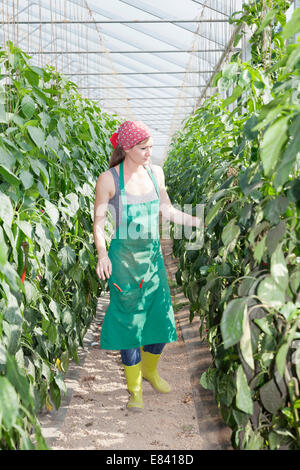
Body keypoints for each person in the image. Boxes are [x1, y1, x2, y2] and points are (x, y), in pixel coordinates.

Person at [93, 120, 201, 410]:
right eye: (143, 148)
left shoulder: (156, 174)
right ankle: (135, 388)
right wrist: (102, 255)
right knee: (130, 324)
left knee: (162, 318)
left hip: (152, 257)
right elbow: (100, 223)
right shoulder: (109, 180)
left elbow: (167, 209)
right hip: (124, 261)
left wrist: (195, 220)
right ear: (127, 148)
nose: (149, 152)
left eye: (151, 146)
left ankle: (150, 370)